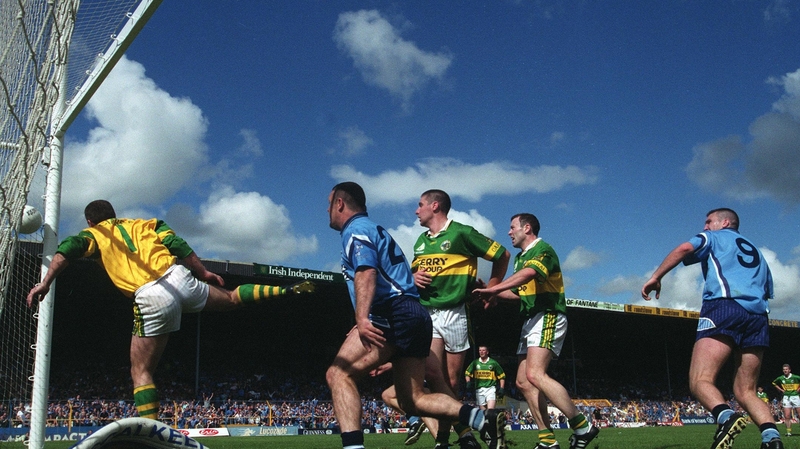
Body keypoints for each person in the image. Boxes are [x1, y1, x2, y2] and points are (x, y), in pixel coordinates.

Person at [26, 200, 314, 421]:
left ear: (90, 220)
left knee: (141, 372)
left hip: (150, 295)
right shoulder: (147, 224)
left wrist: (45, 282)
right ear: (115, 213)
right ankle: (284, 290)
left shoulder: (93, 234)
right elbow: (176, 243)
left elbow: (68, 248)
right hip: (178, 277)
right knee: (231, 298)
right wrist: (203, 272)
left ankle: (151, 434)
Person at [324, 182, 506, 449]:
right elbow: (398, 277)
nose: (326, 210)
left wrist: (362, 318)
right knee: (413, 400)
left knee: (338, 374)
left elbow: (366, 271)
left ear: (339, 204)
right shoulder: (388, 233)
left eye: (328, 204)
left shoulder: (356, 230)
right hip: (417, 313)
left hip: (394, 311)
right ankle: (480, 418)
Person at [641, 208, 782, 449]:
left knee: (700, 379)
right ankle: (772, 439)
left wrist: (656, 277)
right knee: (746, 391)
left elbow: (685, 249)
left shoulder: (714, 237)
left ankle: (726, 417)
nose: (705, 226)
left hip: (724, 307)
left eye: (709, 221)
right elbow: (768, 291)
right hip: (758, 317)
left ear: (725, 222)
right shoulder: (758, 254)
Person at [473, 213, 597, 449]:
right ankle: (548, 440)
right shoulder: (520, 258)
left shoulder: (543, 250)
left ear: (527, 228)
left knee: (535, 374)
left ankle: (583, 426)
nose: (509, 232)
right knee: (523, 382)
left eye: (512, 227)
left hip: (548, 314)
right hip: (531, 319)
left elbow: (529, 274)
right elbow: (518, 292)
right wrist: (492, 293)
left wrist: (494, 289)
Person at [407, 189, 510, 448]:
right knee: (433, 375)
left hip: (455, 313)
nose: (417, 211)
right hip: (428, 313)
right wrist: (412, 278)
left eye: (420, 205)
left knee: (452, 381)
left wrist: (492, 288)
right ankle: (460, 433)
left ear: (435, 206)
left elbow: (502, 255)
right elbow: (415, 274)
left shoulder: (462, 233)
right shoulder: (420, 241)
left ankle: (454, 436)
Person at [465, 346, 506, 410]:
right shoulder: (475, 363)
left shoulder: (493, 363)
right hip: (479, 390)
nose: (481, 352)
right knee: (483, 412)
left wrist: (502, 388)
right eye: (480, 350)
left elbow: (502, 376)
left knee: (490, 411)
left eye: (483, 350)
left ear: (487, 352)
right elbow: (467, 373)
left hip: (490, 389)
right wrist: (468, 382)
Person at [772, 364, 800, 436]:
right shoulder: (781, 378)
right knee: (787, 415)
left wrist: (798, 390)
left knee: (799, 414)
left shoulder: (795, 377)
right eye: (784, 369)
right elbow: (774, 383)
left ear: (789, 370)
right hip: (786, 397)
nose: (785, 370)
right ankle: (788, 432)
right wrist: (781, 390)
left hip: (795, 396)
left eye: (786, 369)